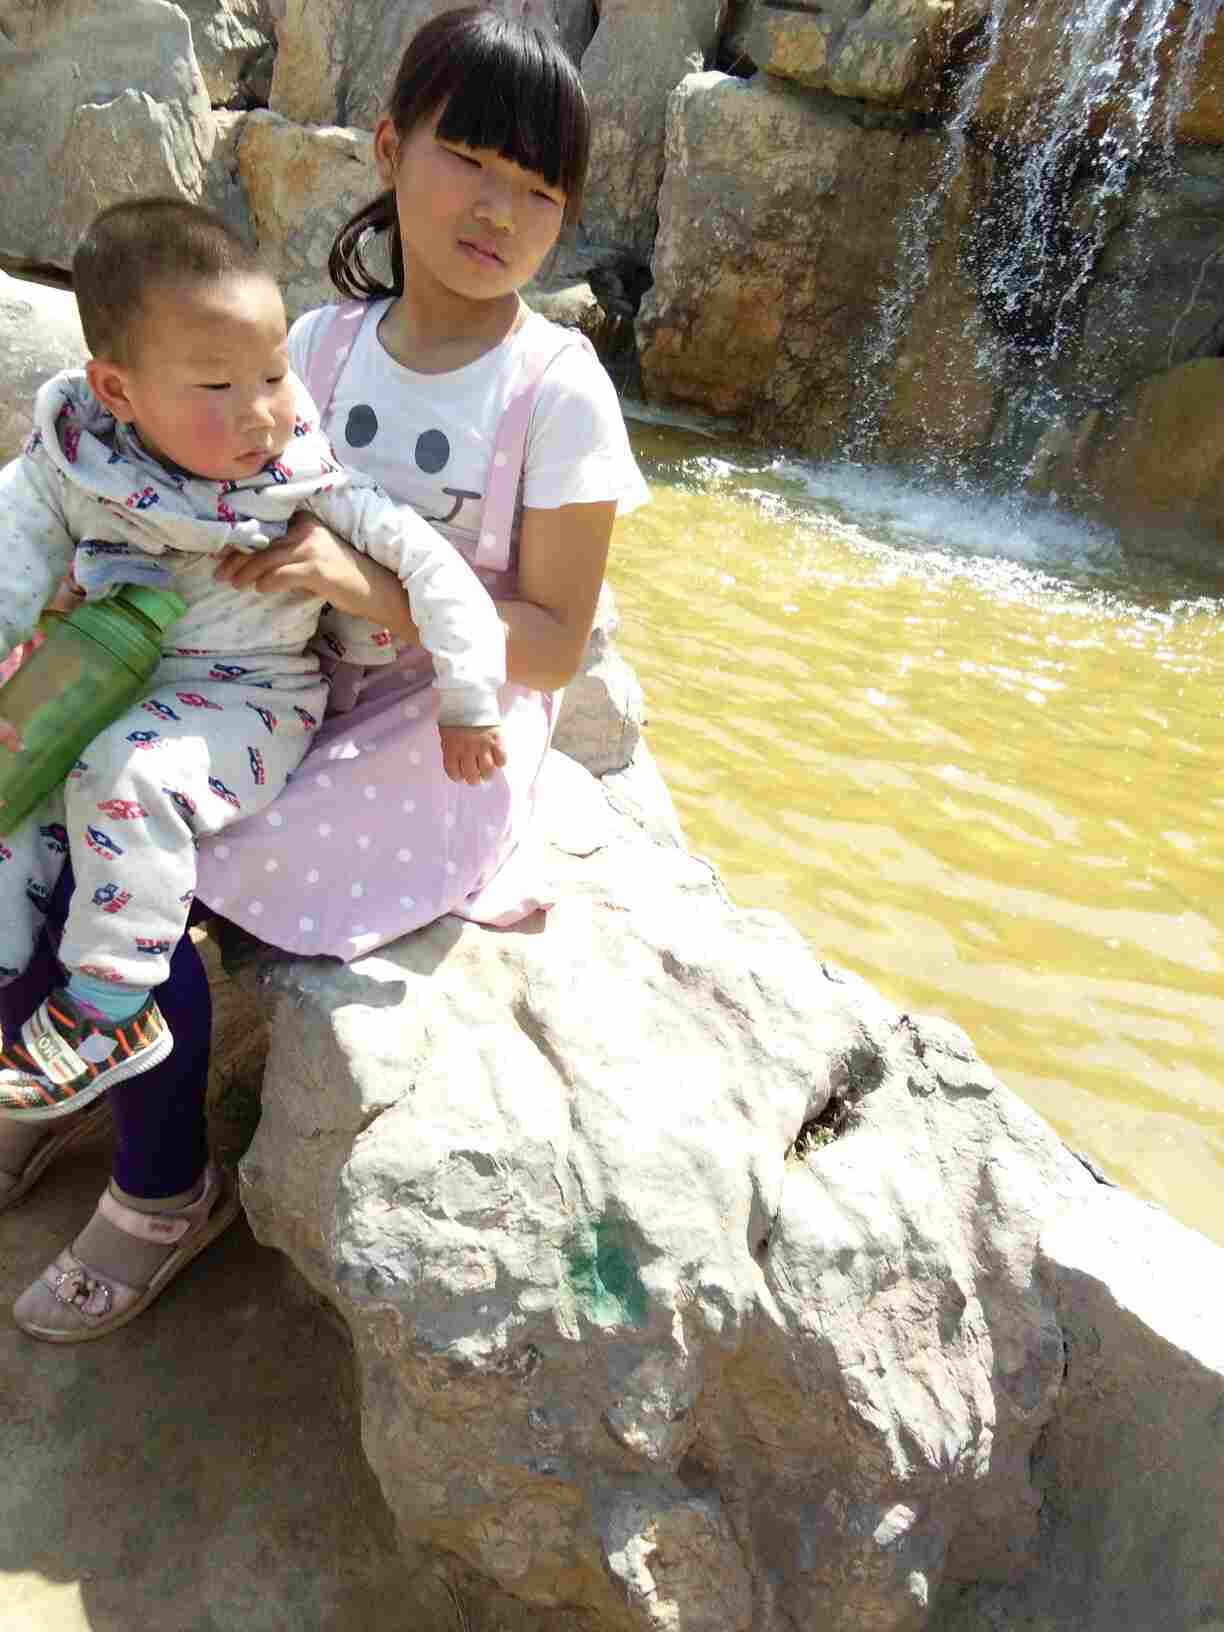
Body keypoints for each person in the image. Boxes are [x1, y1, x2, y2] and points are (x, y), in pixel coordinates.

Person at [0, 5, 648, 1342]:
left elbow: (553, 644)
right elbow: (195, 508)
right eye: (473, 160)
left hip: (429, 733)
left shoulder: (557, 390)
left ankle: (160, 1188)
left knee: (144, 855)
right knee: (35, 797)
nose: (500, 209)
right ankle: (54, 1080)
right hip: (254, 678)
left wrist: (369, 592)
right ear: (392, 147)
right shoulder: (319, 344)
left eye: (539, 190)